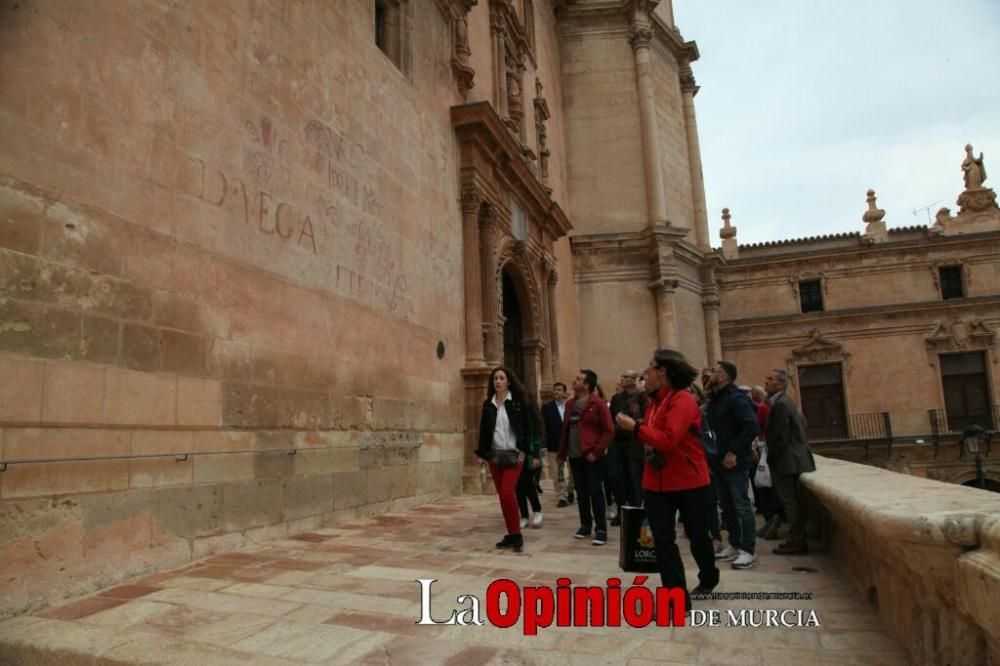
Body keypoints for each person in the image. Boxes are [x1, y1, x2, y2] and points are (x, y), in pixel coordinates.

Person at [615, 348, 720, 612]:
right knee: (662, 540)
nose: (644, 375)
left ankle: (708, 576)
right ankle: (675, 599)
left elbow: (669, 439)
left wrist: (635, 428)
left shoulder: (682, 400)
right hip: (657, 482)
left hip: (689, 481)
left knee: (697, 535)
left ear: (662, 372)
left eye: (648, 369)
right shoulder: (654, 402)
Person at [705, 361, 760, 570]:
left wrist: (733, 451)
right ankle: (735, 544)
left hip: (734, 462)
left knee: (742, 506)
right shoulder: (716, 400)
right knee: (727, 506)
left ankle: (748, 550)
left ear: (724, 377)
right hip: (718, 463)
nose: (711, 373)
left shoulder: (736, 399)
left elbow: (751, 426)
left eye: (716, 371)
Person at [476, 366, 531, 552]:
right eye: (495, 379)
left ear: (508, 381)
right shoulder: (488, 404)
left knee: (508, 493)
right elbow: (484, 431)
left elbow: (528, 427)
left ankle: (517, 535)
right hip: (495, 456)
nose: (498, 381)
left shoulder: (517, 403)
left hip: (515, 455)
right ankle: (512, 533)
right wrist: (483, 455)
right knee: (503, 496)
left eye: (501, 378)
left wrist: (526, 451)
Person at [557, 369, 614, 546]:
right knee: (581, 492)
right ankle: (585, 524)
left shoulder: (598, 404)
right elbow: (566, 429)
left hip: (592, 457)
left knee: (595, 492)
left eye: (578, 379)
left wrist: (595, 452)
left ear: (587, 385)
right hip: (574, 455)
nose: (574, 381)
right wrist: (562, 453)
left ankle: (601, 529)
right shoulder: (570, 404)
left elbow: (608, 431)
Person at [764, 369, 816, 555]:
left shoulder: (781, 405)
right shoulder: (786, 403)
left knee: (790, 502)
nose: (766, 381)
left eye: (770, 378)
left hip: (787, 461)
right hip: (793, 459)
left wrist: (771, 458)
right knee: (792, 501)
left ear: (780, 384)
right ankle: (797, 538)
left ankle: (797, 540)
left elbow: (779, 436)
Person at [610, 370, 646, 509]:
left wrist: (632, 424)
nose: (622, 379)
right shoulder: (617, 398)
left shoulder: (642, 397)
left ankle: (636, 510)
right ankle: (623, 509)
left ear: (634, 380)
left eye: (626, 377)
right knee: (617, 477)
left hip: (636, 443)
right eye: (622, 376)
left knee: (635, 482)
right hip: (620, 441)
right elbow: (614, 419)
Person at [542, 382, 575, 507]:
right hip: (553, 444)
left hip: (571, 444)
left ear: (564, 392)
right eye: (555, 389)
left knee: (574, 471)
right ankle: (561, 496)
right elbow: (543, 426)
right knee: (557, 472)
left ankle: (571, 489)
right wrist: (543, 444)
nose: (556, 392)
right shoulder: (547, 407)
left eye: (559, 389)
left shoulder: (571, 406)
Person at [516, 396, 545, 529]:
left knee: (527, 483)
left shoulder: (531, 417)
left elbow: (536, 438)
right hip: (517, 455)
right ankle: (524, 516)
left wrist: (535, 456)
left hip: (530, 455)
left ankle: (537, 510)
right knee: (518, 486)